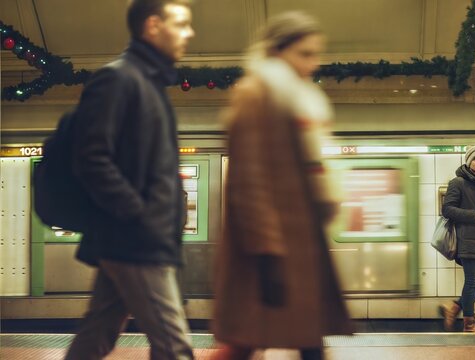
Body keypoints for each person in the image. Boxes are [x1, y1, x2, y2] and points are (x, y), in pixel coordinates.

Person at [212, 11, 353, 360]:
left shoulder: (296, 99)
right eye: (304, 54)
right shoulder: (256, 95)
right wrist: (267, 250)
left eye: (316, 54)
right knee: (251, 342)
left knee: (299, 339)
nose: (313, 64)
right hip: (270, 246)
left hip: (298, 240)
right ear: (277, 52)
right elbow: (249, 182)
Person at [64, 1, 195, 359]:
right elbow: (91, 158)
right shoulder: (119, 79)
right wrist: (139, 215)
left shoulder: (148, 83)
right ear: (153, 26)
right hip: (135, 240)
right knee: (175, 347)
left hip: (135, 238)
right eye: (181, 24)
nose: (190, 33)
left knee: (96, 336)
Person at [439, 146, 475, 333]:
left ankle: (454, 307)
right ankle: (469, 324)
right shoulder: (458, 182)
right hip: (468, 239)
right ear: (468, 161)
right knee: (472, 281)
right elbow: (447, 209)